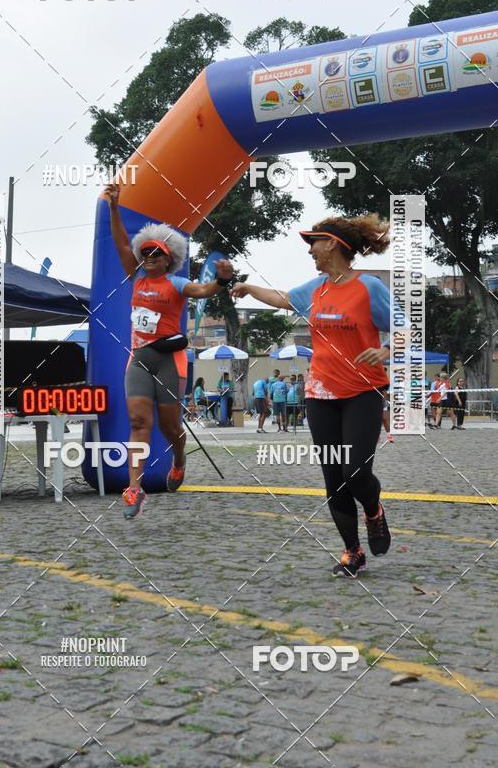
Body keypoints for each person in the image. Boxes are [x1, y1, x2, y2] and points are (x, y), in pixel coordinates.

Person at [232, 214, 392, 578]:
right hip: (320, 393)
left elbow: (405, 325)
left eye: (313, 243)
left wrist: (386, 350)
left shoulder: (369, 287)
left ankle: (373, 510)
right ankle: (353, 551)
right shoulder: (316, 289)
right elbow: (284, 299)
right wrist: (250, 288)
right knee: (334, 476)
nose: (310, 251)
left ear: (333, 244)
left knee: (355, 472)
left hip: (362, 391)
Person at [106, 183, 234, 518]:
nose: (149, 257)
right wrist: (114, 208)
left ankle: (178, 460)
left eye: (156, 254)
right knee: (138, 421)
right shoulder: (136, 278)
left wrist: (221, 281)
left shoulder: (176, 284)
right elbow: (121, 243)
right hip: (139, 359)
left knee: (169, 428)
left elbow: (203, 290)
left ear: (168, 259)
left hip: (169, 361)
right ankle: (134, 488)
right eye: (145, 253)